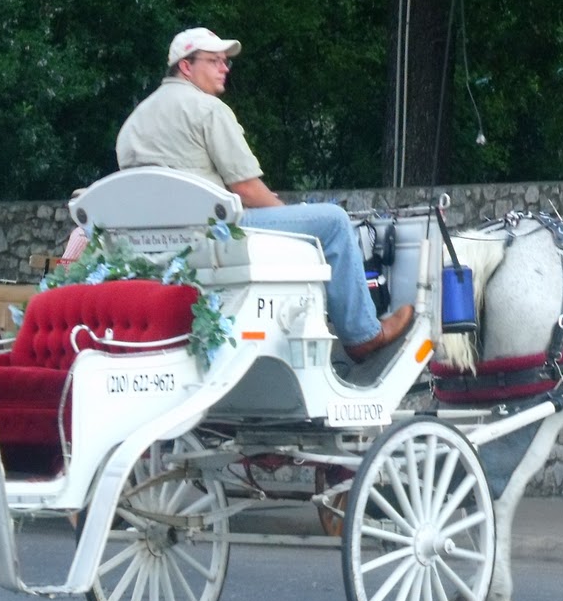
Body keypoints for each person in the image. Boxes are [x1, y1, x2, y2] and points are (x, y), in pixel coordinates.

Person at [116, 27, 413, 362]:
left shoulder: (134, 122)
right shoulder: (207, 109)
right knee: (333, 221)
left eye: (226, 62)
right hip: (214, 238)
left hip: (160, 248)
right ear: (186, 66)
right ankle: (363, 334)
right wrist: (281, 209)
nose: (224, 68)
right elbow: (246, 188)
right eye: (214, 61)